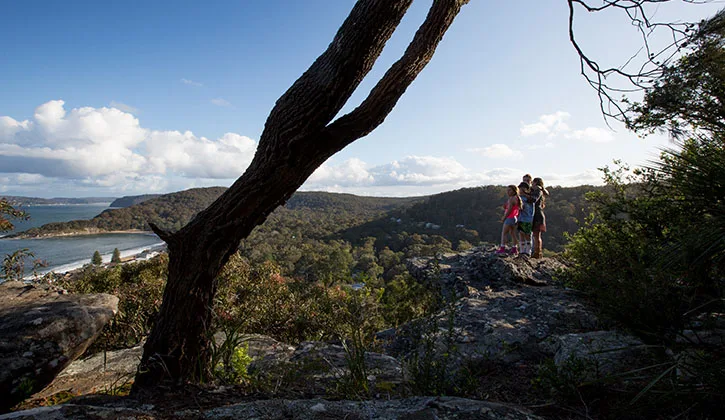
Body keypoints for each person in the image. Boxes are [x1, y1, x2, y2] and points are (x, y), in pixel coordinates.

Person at [496, 185, 522, 255]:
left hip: (510, 218)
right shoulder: (517, 198)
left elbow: (510, 210)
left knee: (504, 233)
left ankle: (502, 248)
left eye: (510, 190)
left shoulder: (511, 199)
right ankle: (514, 248)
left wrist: (504, 217)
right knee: (513, 234)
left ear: (514, 191)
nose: (508, 192)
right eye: (507, 190)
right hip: (514, 218)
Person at [530, 177, 549, 258]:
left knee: (536, 235)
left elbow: (534, 199)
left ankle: (538, 252)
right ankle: (538, 252)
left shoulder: (538, 190)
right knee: (536, 235)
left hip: (537, 215)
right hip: (538, 215)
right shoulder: (540, 190)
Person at [517, 181, 534, 256]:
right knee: (521, 234)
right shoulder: (520, 198)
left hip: (527, 218)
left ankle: (528, 251)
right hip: (520, 218)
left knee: (527, 235)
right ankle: (522, 250)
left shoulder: (528, 198)